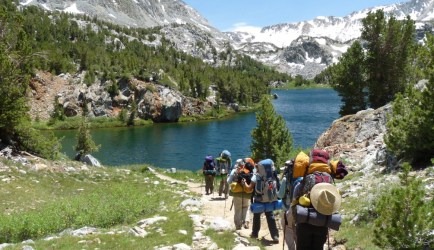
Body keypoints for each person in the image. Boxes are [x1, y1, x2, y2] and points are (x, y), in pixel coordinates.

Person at [243, 159, 280, 243]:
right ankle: (275, 236)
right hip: (270, 199)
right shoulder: (272, 176)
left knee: (256, 217)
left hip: (259, 199)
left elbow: (249, 188)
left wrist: (244, 183)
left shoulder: (256, 176)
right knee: (270, 217)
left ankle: (255, 234)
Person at [227, 158, 254, 230]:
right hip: (247, 192)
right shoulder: (249, 171)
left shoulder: (235, 171)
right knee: (246, 207)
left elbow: (229, 182)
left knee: (238, 209)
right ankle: (246, 222)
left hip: (237, 193)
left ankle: (238, 225)